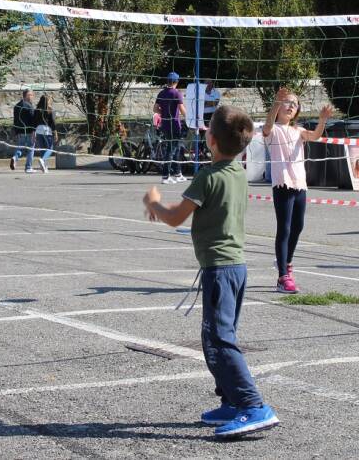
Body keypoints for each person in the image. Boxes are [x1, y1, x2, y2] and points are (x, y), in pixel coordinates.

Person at [142, 105, 280, 439]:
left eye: (207, 130)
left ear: (212, 140)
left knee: (218, 341)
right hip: (235, 267)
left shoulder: (209, 175)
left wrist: (153, 202)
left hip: (219, 269)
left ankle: (253, 406)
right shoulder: (235, 172)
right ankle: (232, 402)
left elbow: (175, 217)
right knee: (219, 338)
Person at [263, 88, 334, 294]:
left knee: (298, 226)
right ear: (278, 107)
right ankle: (282, 277)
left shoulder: (298, 131)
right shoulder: (273, 129)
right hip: (282, 184)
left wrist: (322, 120)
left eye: (294, 104)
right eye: (287, 102)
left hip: (299, 184)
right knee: (284, 229)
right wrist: (277, 101)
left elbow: (315, 136)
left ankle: (287, 262)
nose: (291, 106)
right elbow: (267, 125)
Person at [154, 72, 187, 185]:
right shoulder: (177, 93)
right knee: (171, 149)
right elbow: (182, 111)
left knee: (175, 148)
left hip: (165, 124)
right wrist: (191, 118)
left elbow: (155, 109)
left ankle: (178, 174)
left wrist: (163, 113)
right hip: (175, 125)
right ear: (176, 82)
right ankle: (165, 176)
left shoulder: (162, 92)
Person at [11, 89, 38, 173]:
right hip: (29, 131)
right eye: (30, 95)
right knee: (31, 148)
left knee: (20, 147)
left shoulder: (17, 106)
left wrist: (15, 131)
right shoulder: (29, 106)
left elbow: (15, 120)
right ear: (26, 96)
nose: (32, 97)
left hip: (20, 131)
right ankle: (28, 167)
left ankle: (15, 157)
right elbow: (33, 120)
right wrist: (34, 132)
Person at [34, 94, 56, 174]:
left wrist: (34, 133)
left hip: (38, 130)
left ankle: (44, 167)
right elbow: (52, 123)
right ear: (48, 101)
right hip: (47, 130)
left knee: (43, 149)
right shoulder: (50, 110)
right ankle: (42, 160)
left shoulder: (37, 110)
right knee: (50, 148)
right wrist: (55, 132)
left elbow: (34, 122)